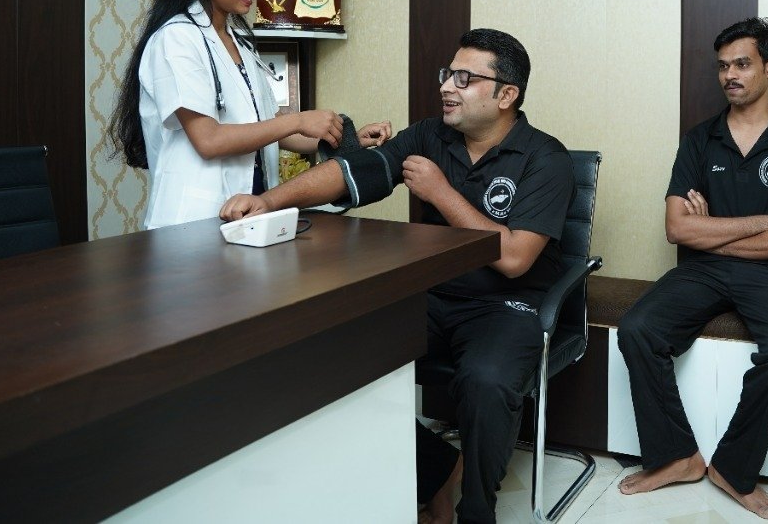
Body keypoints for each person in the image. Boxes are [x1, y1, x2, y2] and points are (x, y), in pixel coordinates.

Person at [220, 28, 575, 524]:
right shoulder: (431, 135)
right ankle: (439, 471)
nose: (446, 86)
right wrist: (268, 201)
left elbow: (514, 258)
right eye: (447, 74)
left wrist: (440, 191)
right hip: (432, 295)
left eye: (465, 78)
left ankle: (477, 510)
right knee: (330, 358)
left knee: (487, 382)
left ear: (506, 95)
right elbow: (353, 171)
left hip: (507, 305)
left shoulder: (546, 158)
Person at [615, 17, 768, 520]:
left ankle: (732, 469)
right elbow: (677, 229)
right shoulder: (699, 140)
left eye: (742, 64)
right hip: (702, 271)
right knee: (638, 329)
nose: (730, 75)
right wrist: (760, 222)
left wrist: (712, 229)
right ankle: (677, 457)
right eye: (722, 66)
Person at [109, 0, 389, 229]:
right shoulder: (176, 39)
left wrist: (342, 138)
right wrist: (297, 120)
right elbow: (209, 140)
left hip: (249, 211)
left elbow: (266, 126)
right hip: (193, 219)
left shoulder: (238, 41)